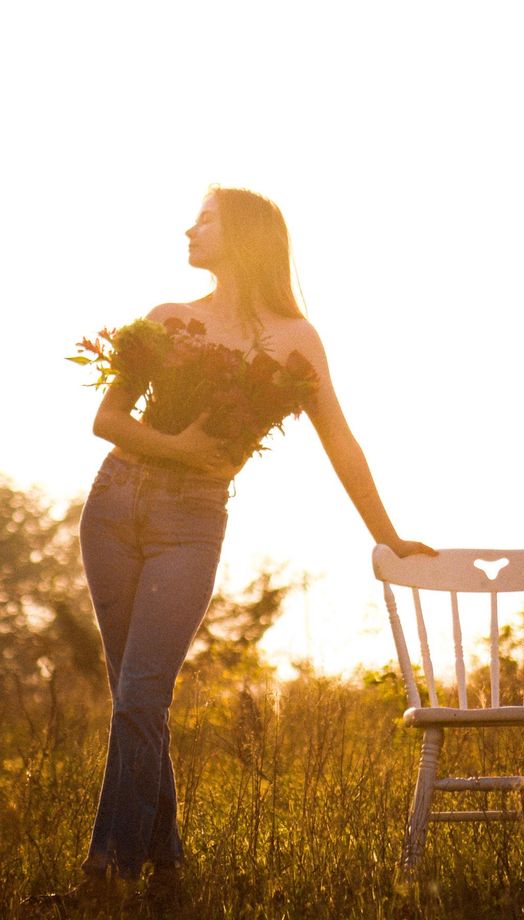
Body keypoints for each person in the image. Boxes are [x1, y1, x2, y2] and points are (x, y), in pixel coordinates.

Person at [32, 187, 433, 912]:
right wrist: (177, 443)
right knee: (137, 699)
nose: (189, 228)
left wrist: (387, 533)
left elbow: (337, 436)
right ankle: (165, 861)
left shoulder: (295, 340)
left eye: (205, 218)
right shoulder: (165, 320)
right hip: (115, 504)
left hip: (191, 521)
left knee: (140, 695)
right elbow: (107, 419)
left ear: (244, 235)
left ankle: (108, 873)